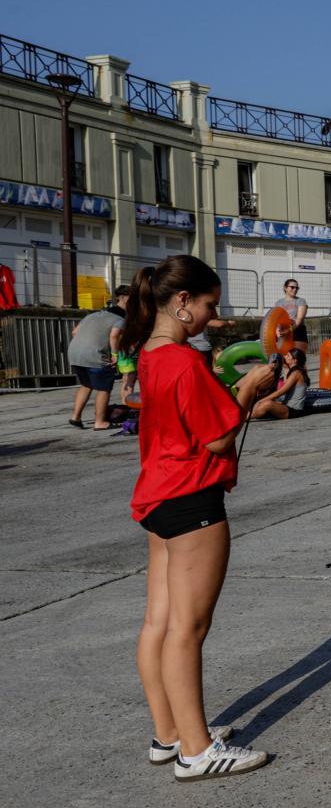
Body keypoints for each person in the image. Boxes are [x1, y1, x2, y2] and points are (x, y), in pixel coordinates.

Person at [125, 255, 279, 781]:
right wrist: (249, 388)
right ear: (182, 301)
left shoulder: (150, 352)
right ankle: (196, 750)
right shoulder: (184, 362)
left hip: (157, 493)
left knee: (159, 623)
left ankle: (169, 734)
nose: (215, 316)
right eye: (210, 304)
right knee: (188, 630)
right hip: (192, 497)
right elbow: (216, 435)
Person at [68, 285, 129, 430]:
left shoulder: (91, 315)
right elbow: (114, 336)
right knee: (104, 388)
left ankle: (75, 417)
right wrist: (114, 354)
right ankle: (100, 422)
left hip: (75, 354)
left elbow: (75, 332)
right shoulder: (120, 320)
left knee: (86, 384)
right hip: (95, 355)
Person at [251, 348, 309, 420]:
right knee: (263, 400)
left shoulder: (296, 373)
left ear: (294, 360)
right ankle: (250, 413)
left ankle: (244, 417)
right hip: (286, 406)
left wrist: (261, 401)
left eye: (288, 356)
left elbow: (281, 392)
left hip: (294, 410)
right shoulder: (293, 371)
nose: (285, 356)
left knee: (267, 403)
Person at [273, 279, 310, 350]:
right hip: (283, 331)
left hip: (298, 330)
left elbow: (299, 319)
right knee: (284, 357)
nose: (295, 289)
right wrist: (277, 330)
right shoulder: (279, 303)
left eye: (297, 288)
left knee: (298, 357)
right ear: (285, 288)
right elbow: (276, 318)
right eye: (292, 287)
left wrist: (289, 330)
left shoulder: (301, 301)